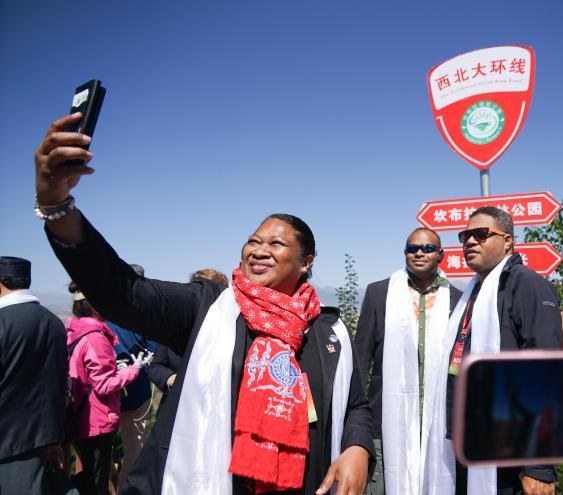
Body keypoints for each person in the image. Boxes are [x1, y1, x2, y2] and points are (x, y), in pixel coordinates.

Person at [34, 111, 373, 495]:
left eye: (276, 244)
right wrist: (56, 204)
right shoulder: (209, 308)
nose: (259, 250)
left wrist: (358, 448)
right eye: (253, 241)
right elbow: (124, 292)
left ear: (306, 261)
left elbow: (355, 405)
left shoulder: (329, 330)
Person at [447, 207, 563, 495]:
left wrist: (539, 466)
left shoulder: (527, 285)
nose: (470, 241)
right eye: (465, 236)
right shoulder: (473, 292)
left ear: (508, 241)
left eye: (481, 234)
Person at [354, 227, 462, 495]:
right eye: (412, 248)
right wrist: (356, 418)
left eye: (427, 248)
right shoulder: (380, 293)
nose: (419, 253)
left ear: (441, 255)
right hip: (386, 419)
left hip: (439, 423)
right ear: (405, 253)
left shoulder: (458, 299)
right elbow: (361, 359)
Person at [0, 257, 75, 495]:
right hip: (46, 436)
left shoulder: (3, 322)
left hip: (7, 442)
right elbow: (59, 382)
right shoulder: (53, 322)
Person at [66, 282, 146, 495]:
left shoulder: (74, 331)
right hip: (96, 419)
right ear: (94, 306)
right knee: (96, 481)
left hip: (79, 414)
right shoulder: (96, 338)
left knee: (88, 475)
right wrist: (133, 370)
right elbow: (104, 384)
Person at [107, 263, 157, 490]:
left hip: (102, 394)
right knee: (134, 449)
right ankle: (126, 489)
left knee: (98, 449)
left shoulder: (100, 310)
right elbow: (154, 353)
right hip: (137, 392)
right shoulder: (145, 315)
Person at [148, 269, 227, 407]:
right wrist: (172, 379)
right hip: (176, 405)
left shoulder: (230, 330)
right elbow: (156, 366)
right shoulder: (174, 326)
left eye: (203, 292)